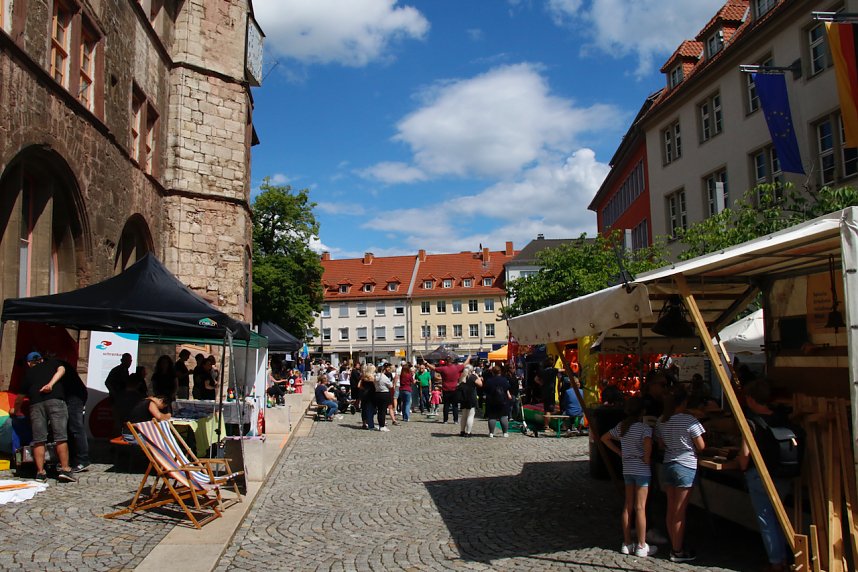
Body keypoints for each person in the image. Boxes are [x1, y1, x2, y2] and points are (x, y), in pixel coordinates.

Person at [736, 379, 793, 572]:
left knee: (767, 520)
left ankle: (776, 562)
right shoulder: (782, 417)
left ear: (751, 399)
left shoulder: (751, 423)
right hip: (783, 474)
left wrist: (740, 465)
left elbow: (744, 457)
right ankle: (786, 557)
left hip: (760, 476)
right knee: (780, 518)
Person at [601, 397, 656, 558]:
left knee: (627, 506)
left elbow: (605, 438)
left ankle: (626, 543)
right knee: (640, 508)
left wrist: (620, 452)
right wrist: (646, 459)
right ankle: (641, 544)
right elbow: (647, 451)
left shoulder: (622, 427)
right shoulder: (645, 429)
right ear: (643, 412)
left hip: (628, 469)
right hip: (642, 470)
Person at [656, 386, 705, 563]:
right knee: (680, 511)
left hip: (668, 464)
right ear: (684, 402)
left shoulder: (662, 420)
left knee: (671, 509)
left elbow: (661, 444)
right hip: (685, 465)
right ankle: (677, 550)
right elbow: (701, 446)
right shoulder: (689, 420)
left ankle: (674, 545)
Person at [14, 352, 76, 482]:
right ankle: (65, 469)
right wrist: (51, 384)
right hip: (56, 401)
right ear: (42, 360)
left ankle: (40, 473)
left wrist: (16, 410)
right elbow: (62, 369)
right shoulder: (52, 363)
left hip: (36, 404)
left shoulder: (28, 374)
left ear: (29, 363)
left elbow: (19, 398)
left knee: (39, 440)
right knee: (61, 437)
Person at [58, 358, 90, 473]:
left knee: (76, 427)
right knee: (71, 428)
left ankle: (83, 459)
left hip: (74, 396)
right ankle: (74, 458)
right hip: (75, 395)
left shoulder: (58, 365)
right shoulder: (61, 363)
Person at [427, 354, 471, 424]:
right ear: (452, 361)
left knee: (446, 405)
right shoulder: (456, 367)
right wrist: (469, 357)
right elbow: (465, 364)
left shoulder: (443, 368)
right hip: (455, 389)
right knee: (455, 406)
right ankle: (455, 420)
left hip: (446, 389)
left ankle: (445, 420)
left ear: (446, 362)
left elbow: (434, 368)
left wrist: (427, 363)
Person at [483, 365, 511, 437]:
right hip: (503, 401)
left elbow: (485, 390)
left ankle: (491, 433)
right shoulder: (504, 380)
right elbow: (507, 389)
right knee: (503, 416)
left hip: (491, 401)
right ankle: (505, 433)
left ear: (492, 372)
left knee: (492, 417)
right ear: (500, 372)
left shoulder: (489, 381)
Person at [534, 357, 559, 435]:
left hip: (544, 391)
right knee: (549, 409)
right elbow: (561, 370)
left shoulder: (542, 371)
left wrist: (541, 383)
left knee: (546, 408)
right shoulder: (553, 370)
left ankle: (546, 425)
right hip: (551, 392)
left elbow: (536, 379)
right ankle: (546, 426)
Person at [457, 365, 482, 437]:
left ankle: (462, 431)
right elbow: (480, 384)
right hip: (471, 397)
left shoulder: (462, 377)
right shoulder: (472, 377)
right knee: (470, 415)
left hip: (463, 398)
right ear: (471, 370)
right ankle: (468, 432)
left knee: (464, 415)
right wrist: (477, 376)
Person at [373, 363, 394, 432]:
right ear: (383, 370)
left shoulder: (375, 376)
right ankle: (382, 426)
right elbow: (390, 386)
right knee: (383, 411)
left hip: (377, 393)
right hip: (384, 394)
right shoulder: (384, 377)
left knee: (379, 411)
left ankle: (380, 424)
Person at [359, 364, 377, 430]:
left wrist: (364, 389)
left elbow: (359, 386)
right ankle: (370, 424)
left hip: (364, 394)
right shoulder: (372, 378)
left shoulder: (363, 377)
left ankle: (364, 423)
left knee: (364, 409)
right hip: (371, 394)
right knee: (371, 410)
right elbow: (375, 386)